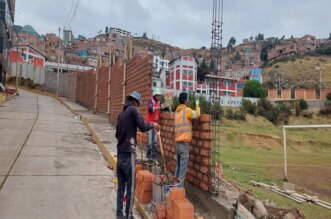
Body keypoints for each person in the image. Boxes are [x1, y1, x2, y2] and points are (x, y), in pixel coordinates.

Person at [115, 91, 159, 219]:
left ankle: (119, 214)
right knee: (131, 187)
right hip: (129, 155)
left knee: (121, 187)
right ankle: (128, 215)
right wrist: (154, 124)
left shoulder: (121, 114)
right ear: (135, 102)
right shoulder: (133, 110)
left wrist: (130, 135)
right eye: (138, 104)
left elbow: (117, 135)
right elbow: (143, 126)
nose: (137, 106)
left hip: (120, 154)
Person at [174, 92, 200, 187]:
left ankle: (173, 188)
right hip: (184, 145)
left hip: (177, 144)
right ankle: (178, 192)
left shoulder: (176, 112)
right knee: (182, 171)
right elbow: (197, 114)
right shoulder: (187, 110)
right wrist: (197, 104)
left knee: (178, 168)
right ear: (185, 100)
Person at [146, 88, 161, 161]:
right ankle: (148, 156)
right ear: (154, 95)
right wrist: (156, 108)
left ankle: (154, 158)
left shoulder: (159, 102)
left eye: (159, 96)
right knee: (149, 142)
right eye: (157, 96)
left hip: (156, 124)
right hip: (150, 123)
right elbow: (150, 109)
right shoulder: (150, 101)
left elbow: (160, 111)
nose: (158, 97)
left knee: (155, 142)